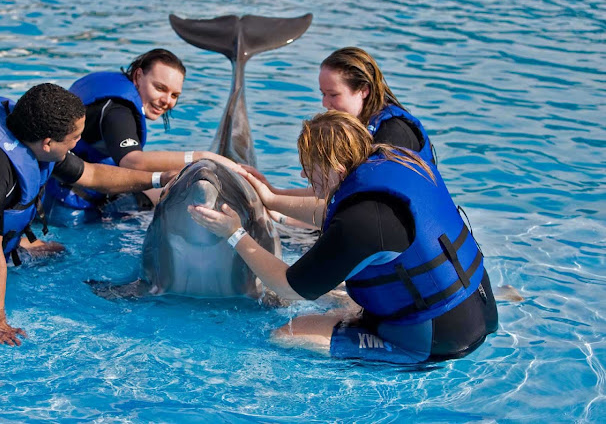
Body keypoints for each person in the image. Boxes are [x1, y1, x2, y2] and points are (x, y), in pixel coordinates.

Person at [189, 111, 497, 363]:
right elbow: (338, 211)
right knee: (340, 297)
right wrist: (270, 199)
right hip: (480, 305)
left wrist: (234, 234)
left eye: (308, 170)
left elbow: (288, 285)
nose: (303, 178)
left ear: (335, 168)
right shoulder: (399, 162)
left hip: (441, 338)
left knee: (288, 334)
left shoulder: (362, 223)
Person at [0, 83, 175, 346]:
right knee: (10, 261)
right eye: (74, 138)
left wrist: (159, 179)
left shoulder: (32, 134)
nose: (77, 145)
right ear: (48, 143)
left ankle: (21, 244)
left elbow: (91, 174)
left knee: (57, 252)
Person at [44, 48, 241, 226]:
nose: (167, 101)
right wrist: (201, 157)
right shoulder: (118, 110)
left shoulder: (114, 88)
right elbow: (132, 161)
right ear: (138, 76)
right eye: (160, 88)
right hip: (70, 211)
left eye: (174, 95)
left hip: (67, 192)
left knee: (171, 193)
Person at [247, 47, 435, 201]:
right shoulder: (358, 128)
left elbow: (356, 205)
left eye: (333, 94)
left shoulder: (392, 136)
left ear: (363, 90)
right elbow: (334, 188)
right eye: (323, 94)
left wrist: (273, 204)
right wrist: (274, 192)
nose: (324, 103)